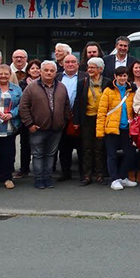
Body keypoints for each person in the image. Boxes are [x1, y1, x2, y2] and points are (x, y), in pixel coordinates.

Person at [18, 60, 72, 190]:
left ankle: (48, 178)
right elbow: (23, 107)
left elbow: (66, 106)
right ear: (41, 72)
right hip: (37, 128)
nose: (49, 73)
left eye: (51, 71)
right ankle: (38, 179)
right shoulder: (31, 87)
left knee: (50, 155)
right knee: (37, 155)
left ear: (55, 73)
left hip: (56, 129)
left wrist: (63, 121)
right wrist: (30, 124)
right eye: (46, 70)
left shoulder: (61, 87)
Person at [97, 67, 139, 191]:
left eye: (125, 76)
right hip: (112, 128)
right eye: (120, 76)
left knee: (130, 154)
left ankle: (122, 176)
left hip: (127, 128)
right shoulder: (108, 91)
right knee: (112, 155)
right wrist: (100, 131)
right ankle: (114, 179)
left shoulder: (131, 91)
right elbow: (101, 112)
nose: (122, 78)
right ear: (115, 76)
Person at [75, 57, 111, 185]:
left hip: (102, 119)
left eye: (93, 67)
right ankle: (87, 175)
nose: (89, 69)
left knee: (100, 148)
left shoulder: (107, 83)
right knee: (87, 148)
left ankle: (100, 175)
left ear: (100, 69)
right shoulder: (82, 82)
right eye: (89, 67)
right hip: (87, 119)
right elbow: (78, 102)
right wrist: (76, 121)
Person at [57, 53, 83, 182]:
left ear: (78, 64)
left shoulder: (85, 77)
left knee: (81, 147)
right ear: (62, 64)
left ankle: (83, 173)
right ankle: (65, 172)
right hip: (62, 117)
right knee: (64, 147)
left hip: (79, 117)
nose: (70, 64)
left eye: (73, 62)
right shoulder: (57, 77)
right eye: (67, 62)